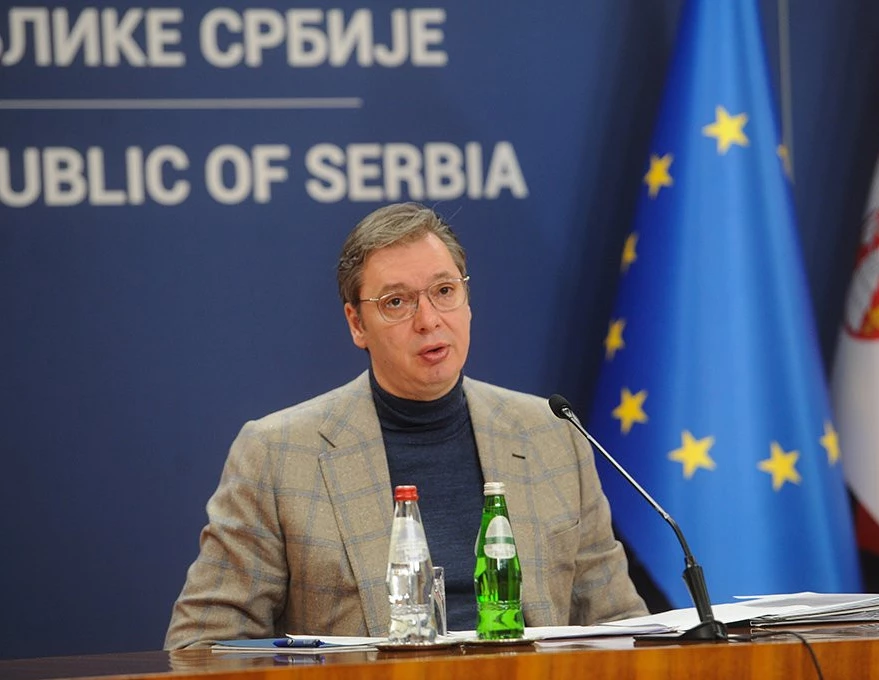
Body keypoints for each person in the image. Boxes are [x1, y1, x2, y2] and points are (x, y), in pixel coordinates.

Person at [165, 202, 647, 648]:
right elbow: (202, 645)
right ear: (357, 324)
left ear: (467, 299)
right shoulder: (278, 455)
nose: (429, 320)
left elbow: (620, 626)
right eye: (396, 302)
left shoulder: (551, 434)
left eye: (444, 291)